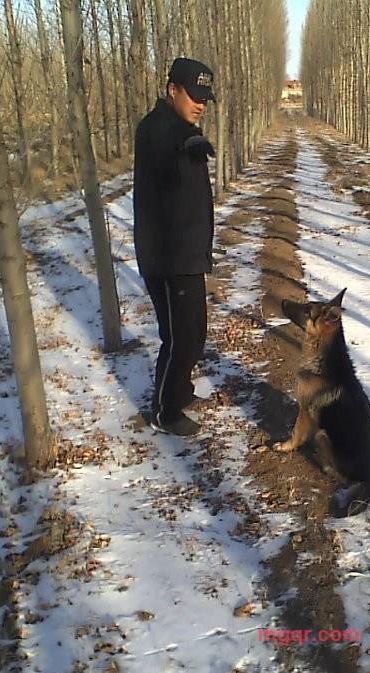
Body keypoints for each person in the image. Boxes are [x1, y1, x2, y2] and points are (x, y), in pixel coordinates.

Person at [133, 57, 216, 436]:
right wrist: (188, 144)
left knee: (195, 333)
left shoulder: (180, 127)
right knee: (179, 337)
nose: (199, 104)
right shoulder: (158, 130)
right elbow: (166, 151)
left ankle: (179, 390)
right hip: (167, 257)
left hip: (188, 253)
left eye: (204, 98)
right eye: (193, 95)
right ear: (172, 90)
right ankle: (164, 412)